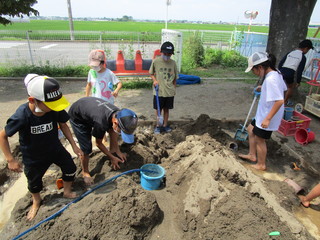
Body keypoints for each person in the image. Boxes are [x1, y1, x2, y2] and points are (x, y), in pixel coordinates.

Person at [0, 74, 83, 221]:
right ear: (32, 100)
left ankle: (67, 191)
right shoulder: (22, 116)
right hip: (33, 155)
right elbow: (3, 136)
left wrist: (74, 146)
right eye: (50, 106)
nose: (53, 108)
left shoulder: (54, 108)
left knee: (70, 167)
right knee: (34, 181)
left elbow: (63, 125)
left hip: (54, 148)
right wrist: (10, 159)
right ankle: (36, 201)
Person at [68, 97, 138, 185]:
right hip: (78, 116)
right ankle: (85, 172)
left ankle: (113, 151)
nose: (121, 133)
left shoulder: (118, 114)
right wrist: (112, 158)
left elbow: (113, 131)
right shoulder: (100, 122)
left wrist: (117, 151)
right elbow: (98, 143)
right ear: (115, 122)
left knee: (113, 131)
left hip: (90, 109)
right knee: (86, 147)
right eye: (122, 131)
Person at [239, 52, 287, 171]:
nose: (253, 73)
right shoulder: (276, 74)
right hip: (263, 112)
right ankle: (252, 155)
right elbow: (283, 89)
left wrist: (268, 118)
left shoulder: (271, 80)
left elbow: (279, 101)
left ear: (260, 67)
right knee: (250, 129)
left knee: (260, 139)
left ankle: (261, 165)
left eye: (253, 70)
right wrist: (264, 88)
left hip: (268, 115)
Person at [149, 41, 179, 134]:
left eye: (169, 54)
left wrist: (174, 89)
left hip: (169, 91)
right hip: (159, 91)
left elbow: (175, 78)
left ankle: (165, 125)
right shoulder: (156, 61)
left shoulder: (173, 63)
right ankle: (158, 126)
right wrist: (154, 80)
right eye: (165, 54)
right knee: (158, 110)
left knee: (166, 109)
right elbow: (151, 73)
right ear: (161, 52)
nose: (167, 56)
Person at [278, 39, 314, 105]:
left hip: (282, 70)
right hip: (290, 72)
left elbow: (281, 63)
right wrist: (298, 81)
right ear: (306, 48)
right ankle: (284, 101)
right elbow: (300, 70)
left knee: (280, 86)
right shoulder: (303, 57)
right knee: (290, 87)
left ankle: (278, 100)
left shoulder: (290, 53)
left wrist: (280, 71)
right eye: (308, 50)